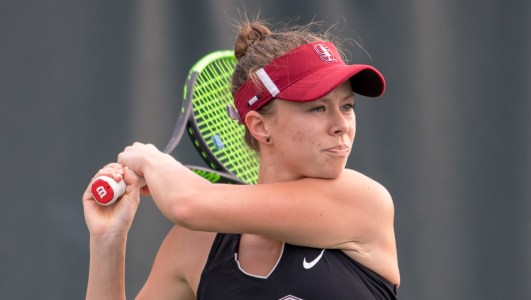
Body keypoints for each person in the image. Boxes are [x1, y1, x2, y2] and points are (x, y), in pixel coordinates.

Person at [83, 20, 400, 300]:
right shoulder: (196, 244)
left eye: (347, 106)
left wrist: (152, 160)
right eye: (318, 108)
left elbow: (186, 203)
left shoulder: (363, 202)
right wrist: (107, 240)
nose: (341, 124)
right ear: (260, 126)